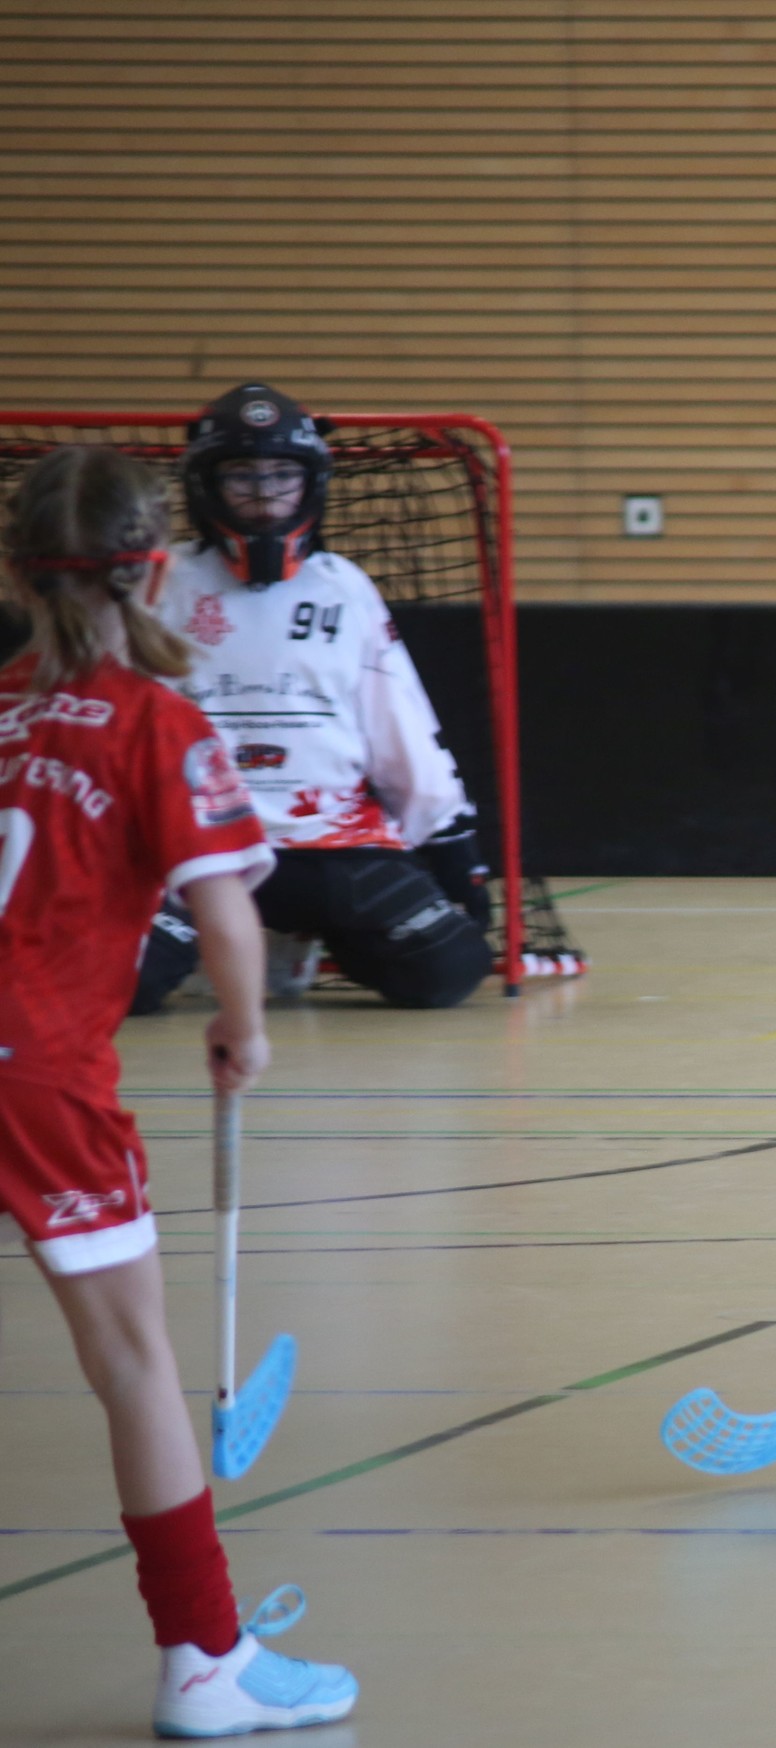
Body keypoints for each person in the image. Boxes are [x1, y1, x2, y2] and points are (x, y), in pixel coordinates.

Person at [1, 446, 359, 1734]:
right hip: (35, 1075)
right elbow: (224, 912)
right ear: (156, 562)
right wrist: (244, 1027)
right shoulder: (159, 719)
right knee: (138, 1365)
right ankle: (205, 1657)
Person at [131, 382, 490, 1013]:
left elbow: (400, 727)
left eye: (281, 475)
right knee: (123, 983)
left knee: (447, 970)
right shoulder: (163, 585)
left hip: (334, 844)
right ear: (206, 485)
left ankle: (314, 938)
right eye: (242, 475)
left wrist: (450, 843)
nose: (265, 493)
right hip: (199, 848)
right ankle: (221, 942)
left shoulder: (344, 587)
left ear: (312, 485)